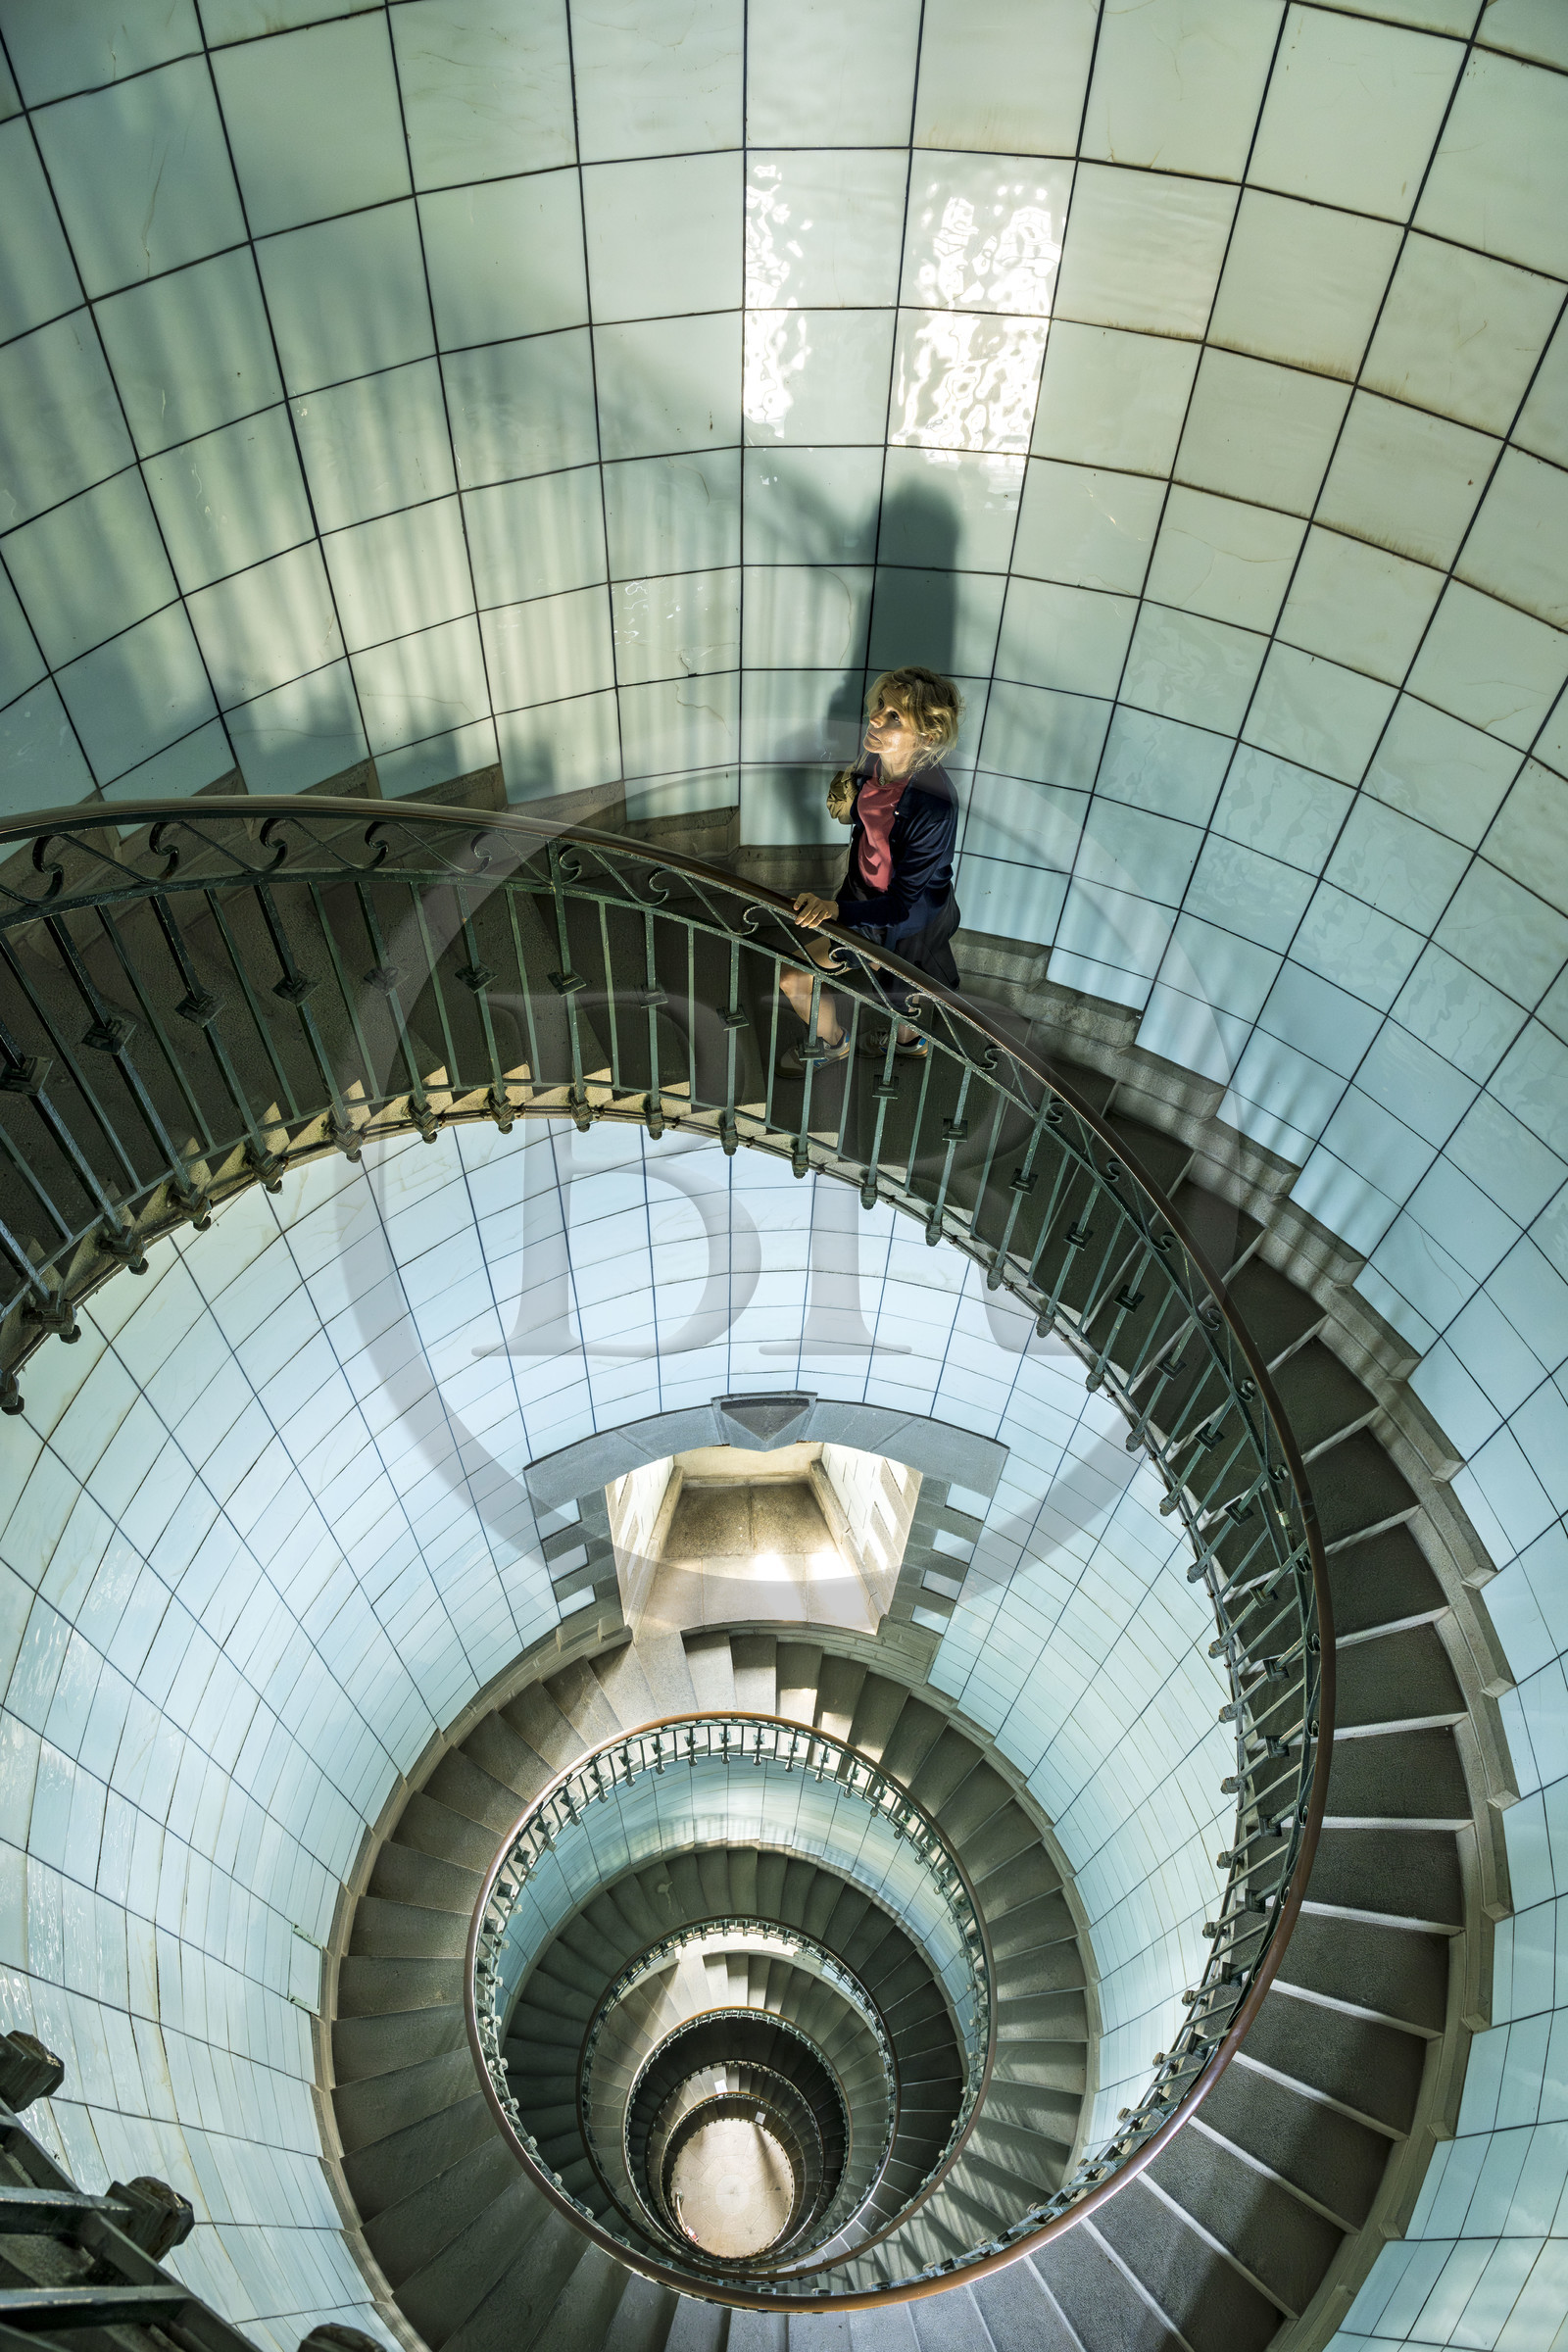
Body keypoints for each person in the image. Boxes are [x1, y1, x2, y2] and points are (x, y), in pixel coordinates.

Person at [777, 666, 962, 1074]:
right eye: (880, 706)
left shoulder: (935, 806)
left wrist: (835, 910)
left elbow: (899, 906)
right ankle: (835, 1043)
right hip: (860, 898)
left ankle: (907, 1046)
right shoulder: (873, 762)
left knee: (898, 993)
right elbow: (870, 826)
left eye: (895, 717)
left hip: (904, 920)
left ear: (926, 738)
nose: (876, 718)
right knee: (799, 978)